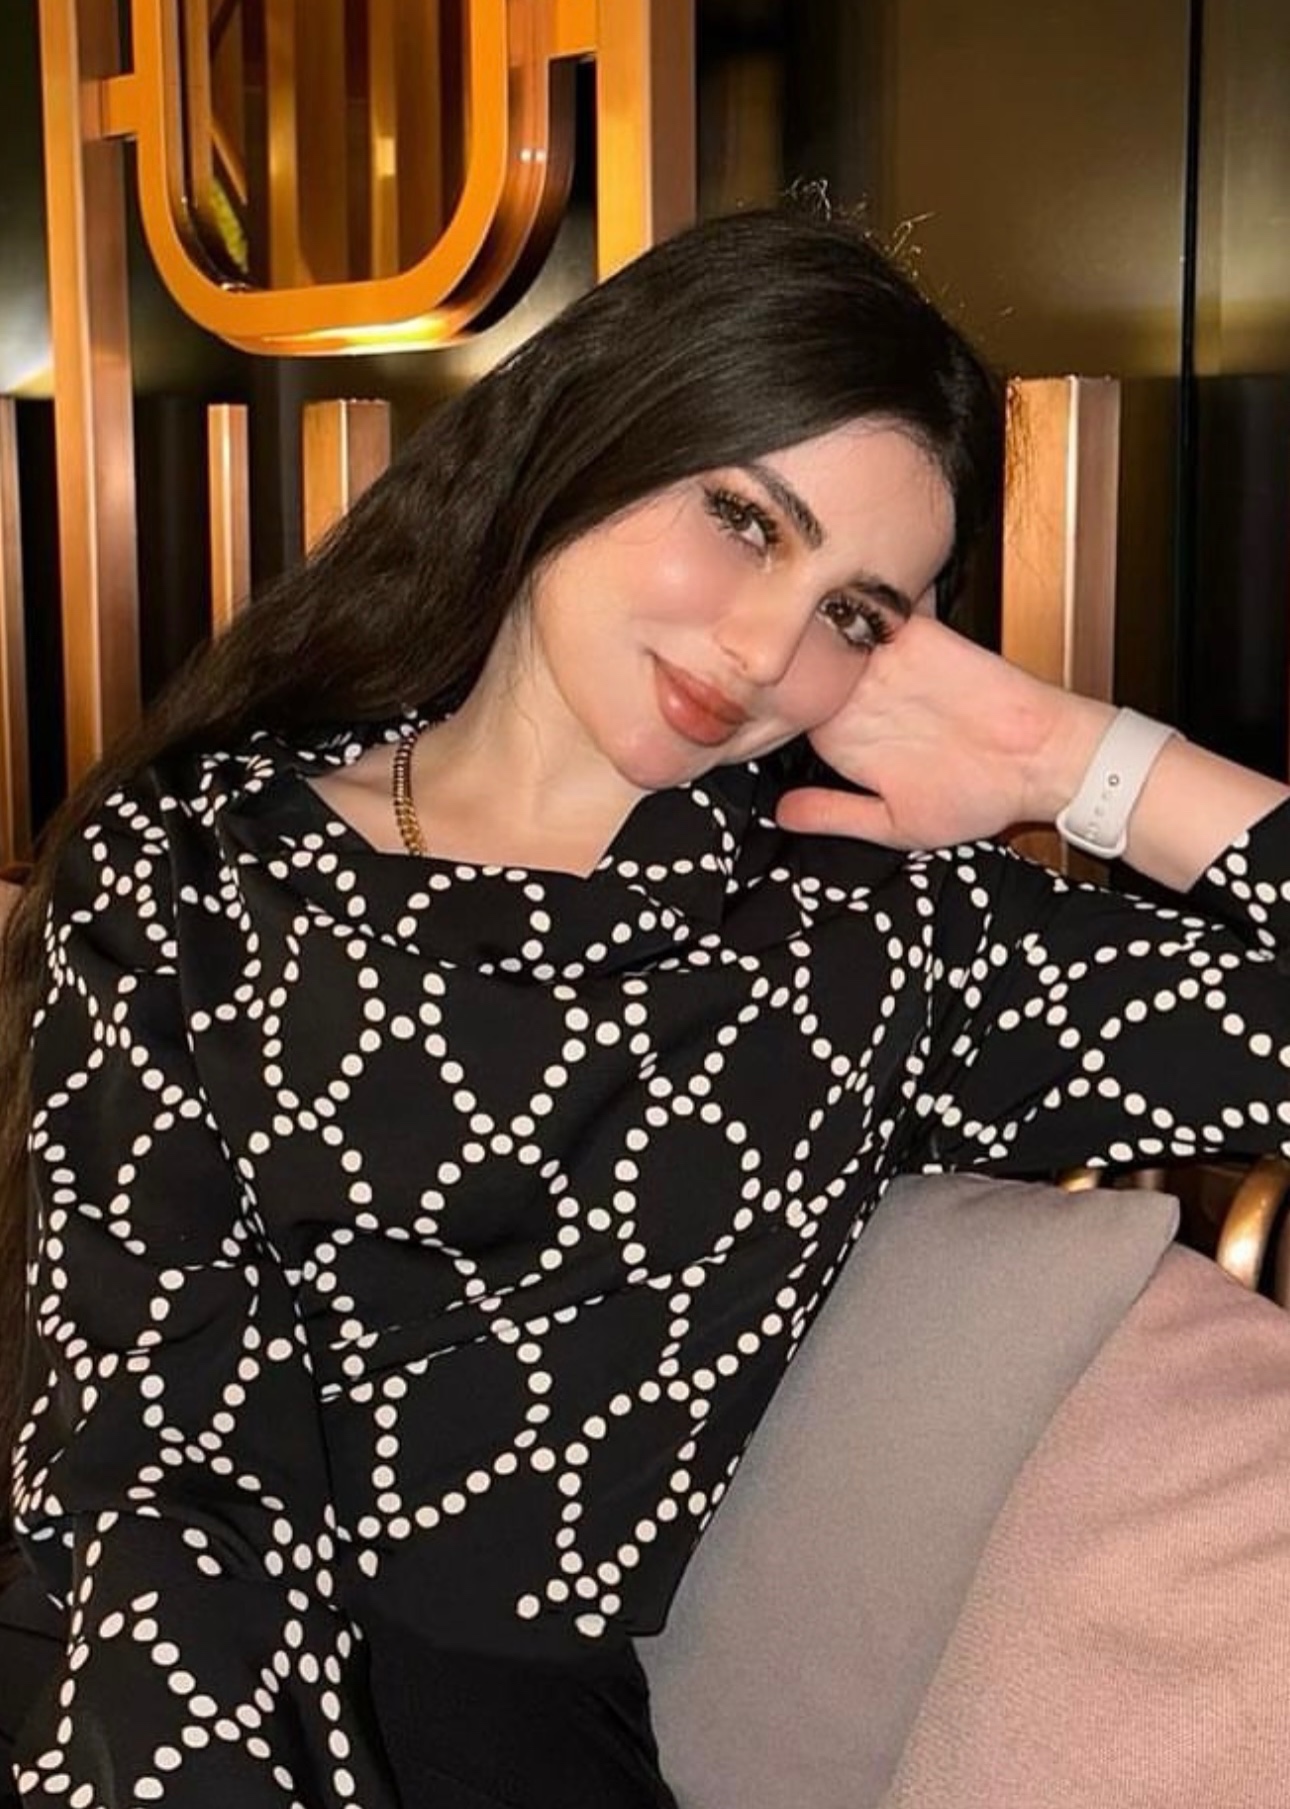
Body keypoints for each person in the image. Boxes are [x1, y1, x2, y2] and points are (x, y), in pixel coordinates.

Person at [1, 203, 1288, 1809]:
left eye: (854, 613)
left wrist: (1077, 761)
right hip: (130, 1675)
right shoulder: (191, 858)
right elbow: (155, 1438)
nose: (762, 647)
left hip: (502, 1748)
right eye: (744, 519)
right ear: (589, 435)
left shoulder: (855, 936)